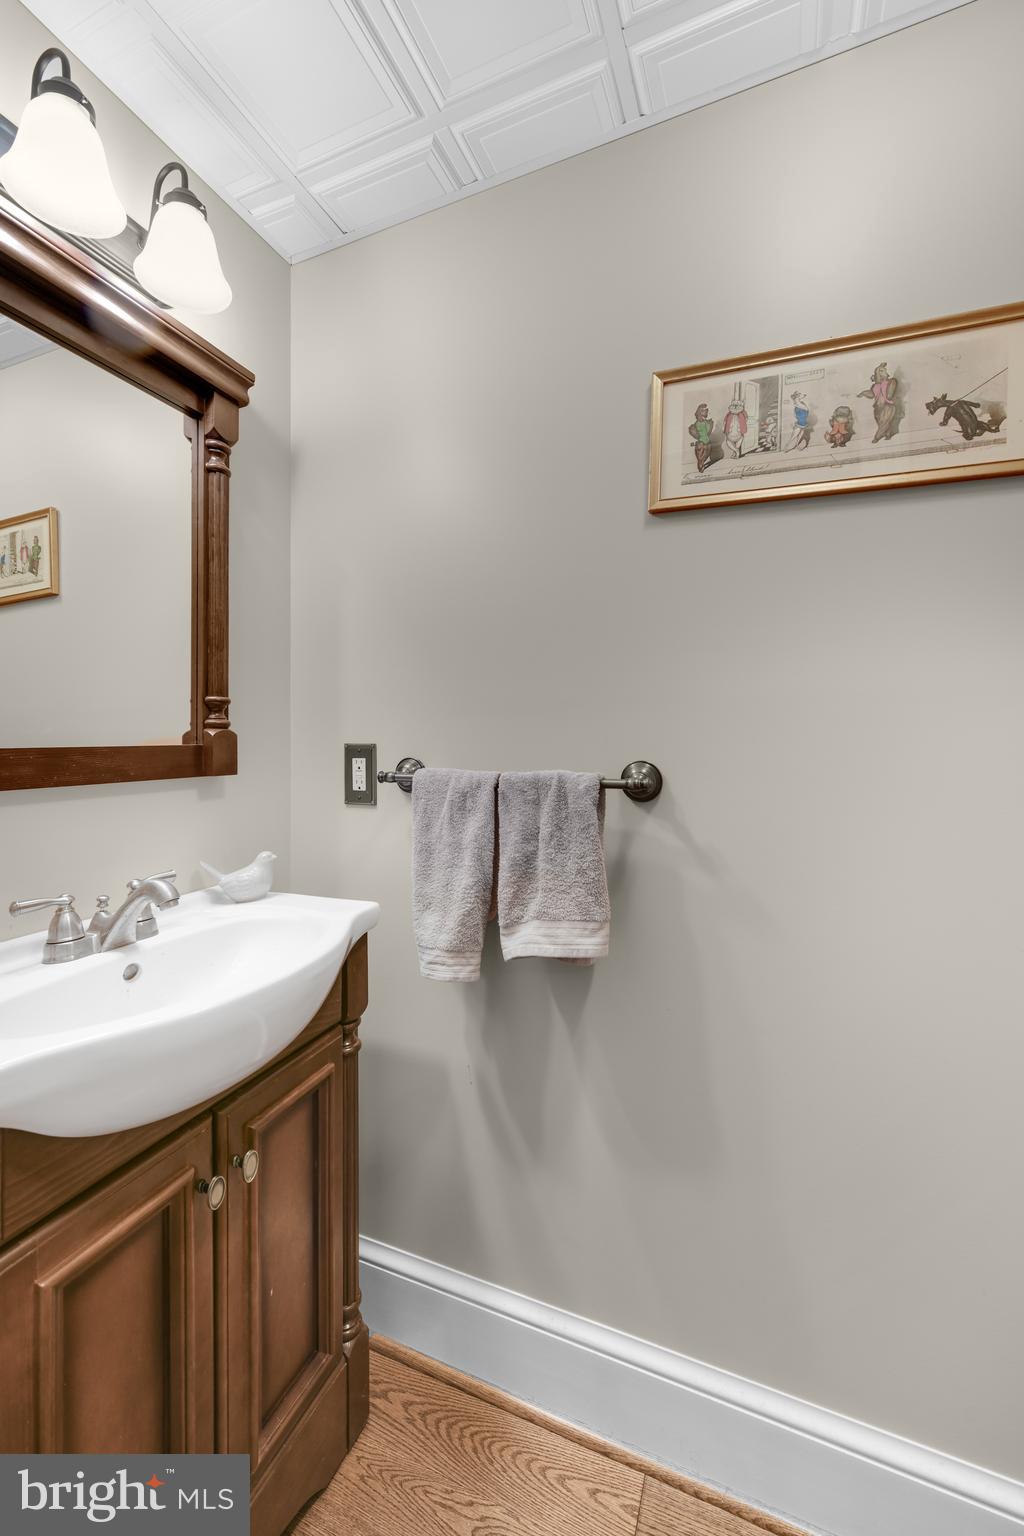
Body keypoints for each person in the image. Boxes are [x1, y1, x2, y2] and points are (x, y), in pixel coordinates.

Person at [858, 362, 899, 442]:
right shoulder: (875, 386)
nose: (880, 373)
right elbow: (872, 394)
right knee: (882, 423)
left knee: (884, 422)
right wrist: (863, 393)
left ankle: (876, 438)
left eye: (882, 371)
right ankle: (888, 434)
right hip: (877, 408)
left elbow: (890, 395)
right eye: (879, 371)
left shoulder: (890, 382)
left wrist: (890, 388)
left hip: (887, 406)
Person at [688, 403, 714, 473]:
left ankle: (701, 465)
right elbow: (696, 433)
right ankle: (701, 467)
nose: (707, 412)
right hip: (701, 443)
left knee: (705, 456)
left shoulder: (706, 422)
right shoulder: (697, 423)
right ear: (700, 412)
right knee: (700, 458)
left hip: (707, 443)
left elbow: (708, 431)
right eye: (705, 410)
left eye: (706, 410)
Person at [723, 392, 748, 458]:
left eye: (737, 405)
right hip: (731, 433)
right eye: (734, 405)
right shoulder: (729, 414)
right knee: (728, 441)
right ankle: (736, 451)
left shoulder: (742, 414)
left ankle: (735, 452)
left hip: (738, 432)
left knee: (738, 439)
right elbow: (725, 422)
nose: (735, 406)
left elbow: (746, 419)